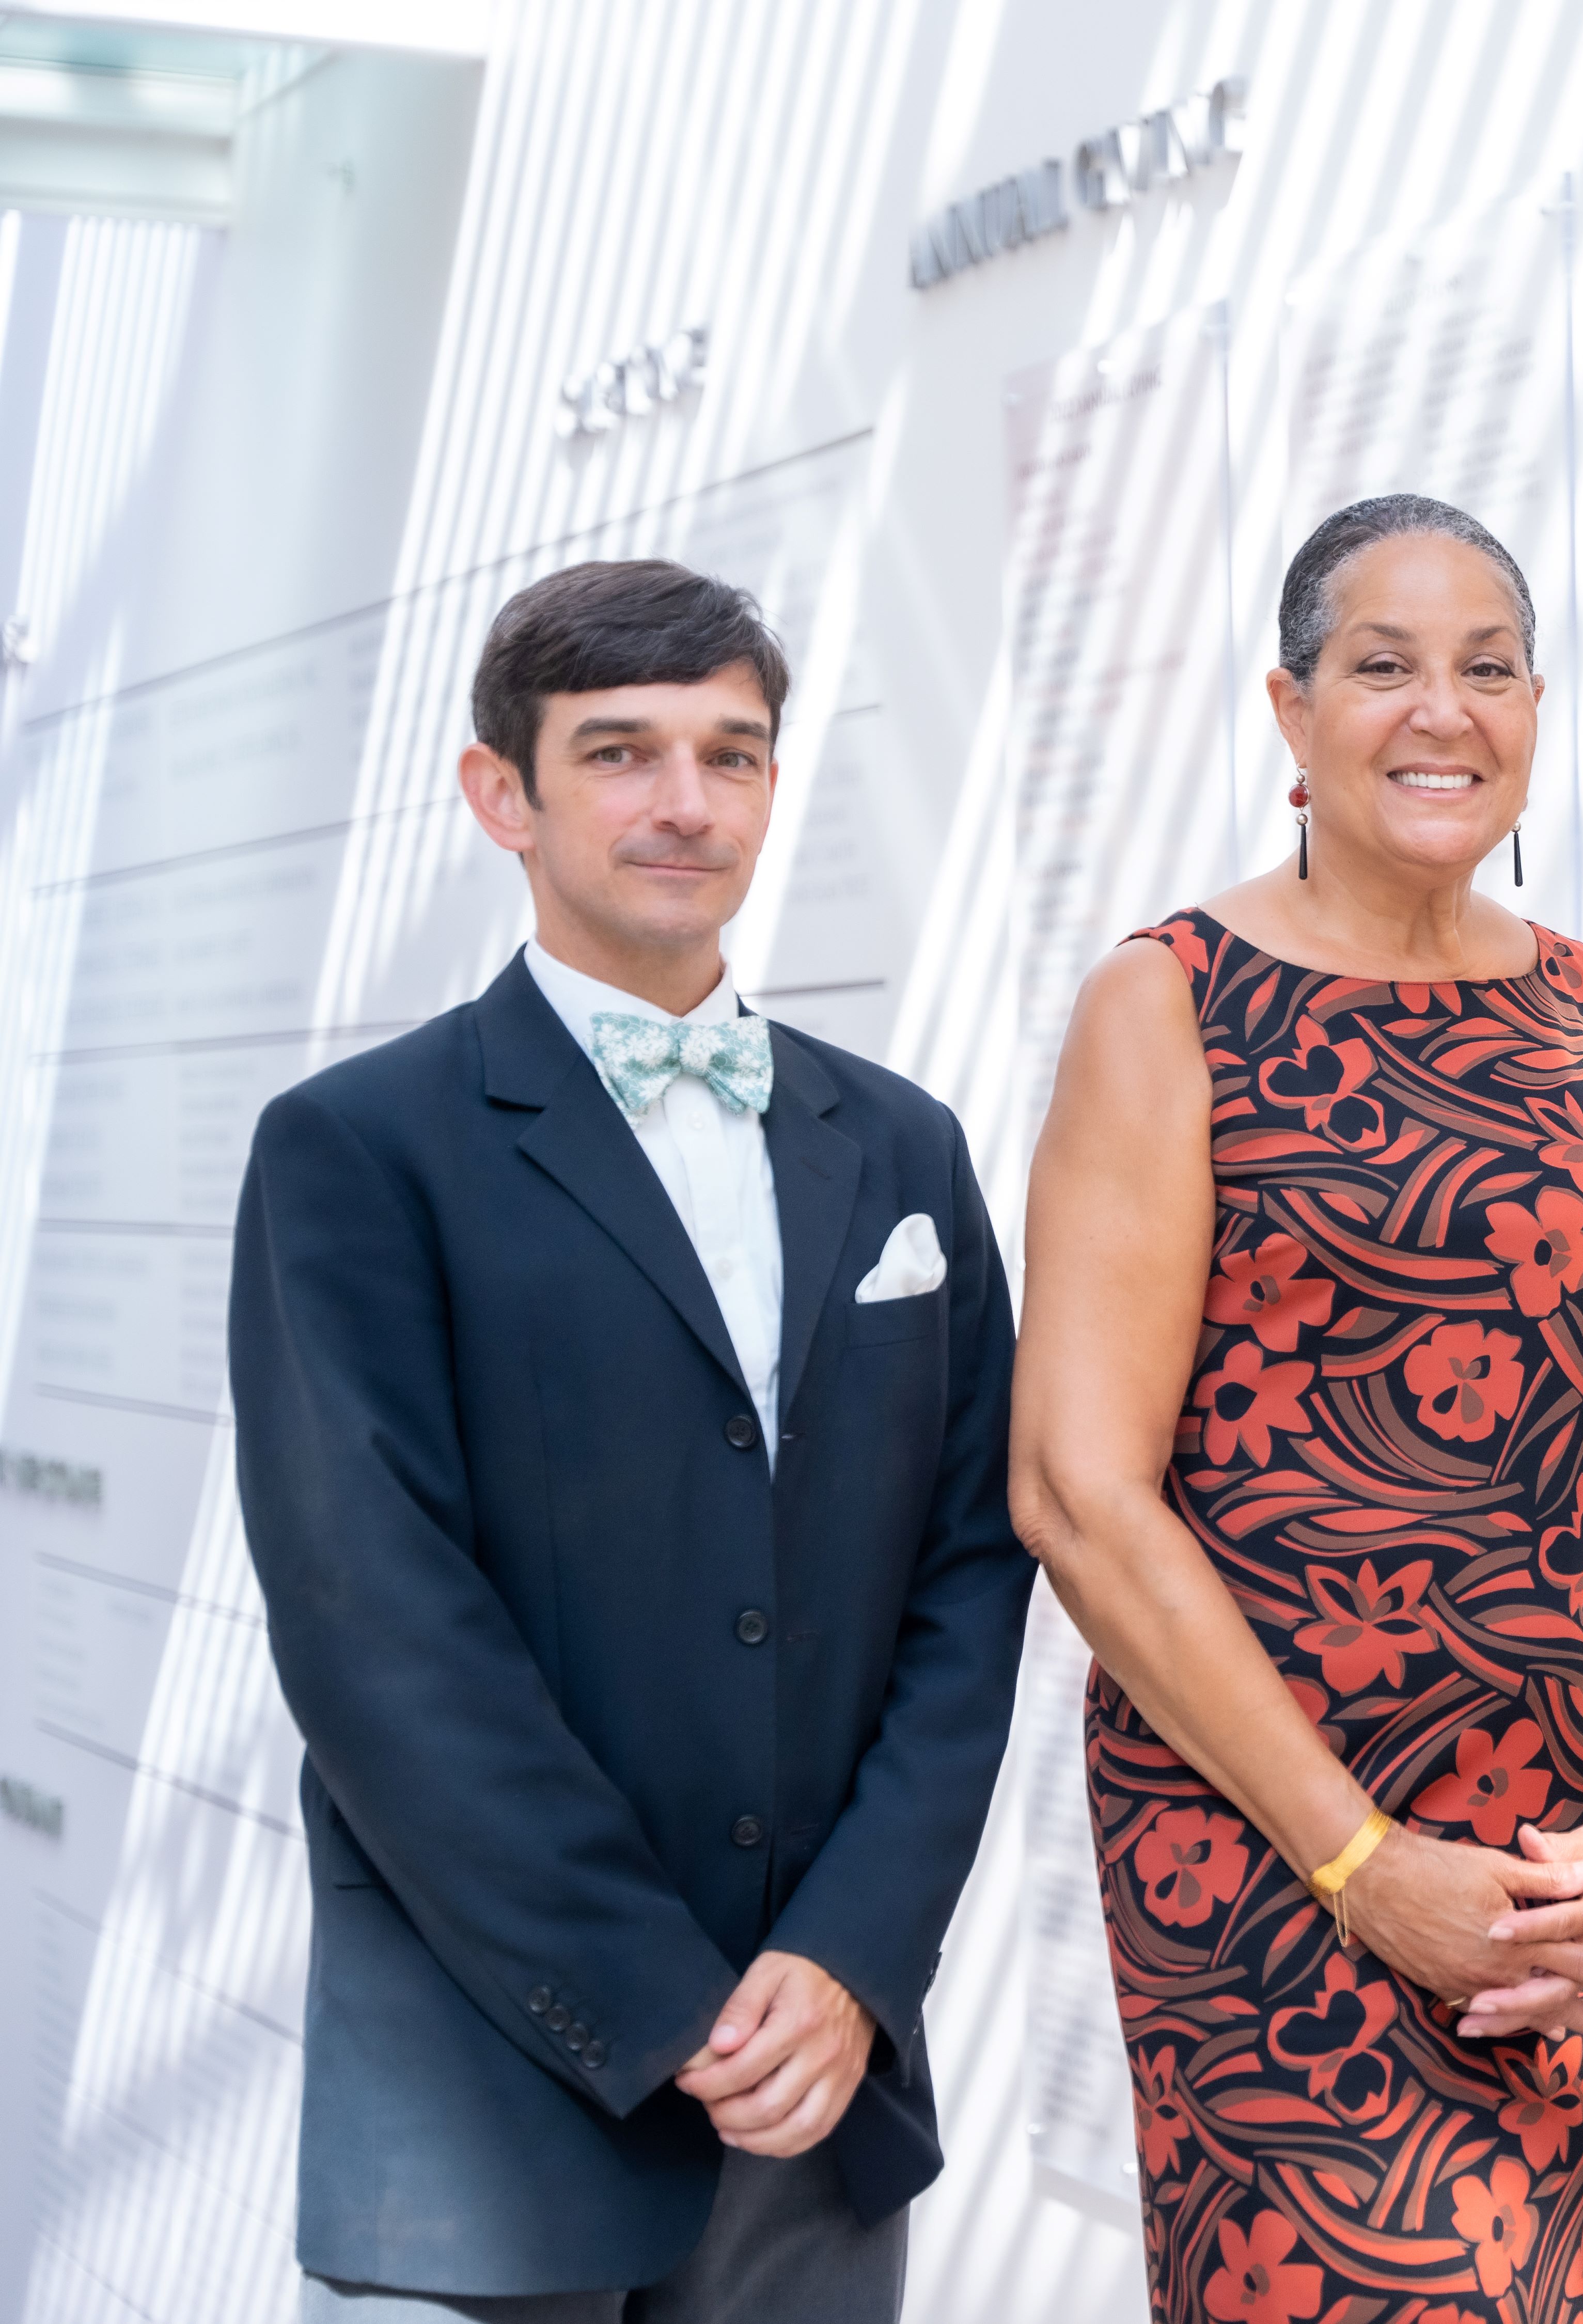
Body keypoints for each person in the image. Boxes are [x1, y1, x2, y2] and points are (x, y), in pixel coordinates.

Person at [226, 560, 1035, 2320]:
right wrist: (661, 2001)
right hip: (486, 2084)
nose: (687, 802)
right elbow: (378, 1627)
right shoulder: (356, 1149)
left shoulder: (907, 1148)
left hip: (820, 2083)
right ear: (500, 793)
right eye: (620, 752)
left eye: (730, 754)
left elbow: (974, 1576)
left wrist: (852, 1953)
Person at [1012, 494, 1583, 2324]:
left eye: (1489, 667)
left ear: (1537, 710)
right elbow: (1079, 1494)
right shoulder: (1170, 1005)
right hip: (1264, 1845)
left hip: (1549, 1874)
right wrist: (1361, 1862)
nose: (1442, 710)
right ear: (1291, 707)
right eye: (1382, 664)